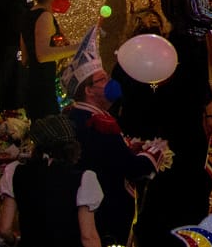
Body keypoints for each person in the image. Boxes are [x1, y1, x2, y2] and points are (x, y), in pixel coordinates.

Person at [59, 30, 165, 247]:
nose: (109, 81)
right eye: (102, 79)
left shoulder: (72, 115)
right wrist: (154, 152)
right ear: (89, 91)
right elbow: (132, 168)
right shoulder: (101, 124)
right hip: (106, 209)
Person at [156, 0, 212, 232]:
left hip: (173, 41)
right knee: (193, 104)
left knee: (179, 104)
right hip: (190, 42)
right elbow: (198, 10)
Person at [0, 114, 104, 247]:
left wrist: (14, 241)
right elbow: (88, 237)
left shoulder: (14, 171)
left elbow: (4, 229)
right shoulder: (83, 178)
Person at [25, 0, 77, 118]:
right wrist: (78, 47)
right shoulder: (45, 16)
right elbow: (42, 55)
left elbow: (24, 55)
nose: (65, 0)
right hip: (42, 85)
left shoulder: (30, 14)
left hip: (32, 82)